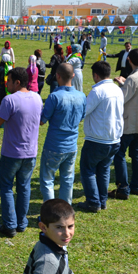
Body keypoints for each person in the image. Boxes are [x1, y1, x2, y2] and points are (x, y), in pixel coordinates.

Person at [0, 67, 42, 237]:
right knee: (24, 187)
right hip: (30, 153)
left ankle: (10, 224)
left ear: (17, 82)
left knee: (6, 187)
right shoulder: (37, 97)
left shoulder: (10, 100)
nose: (7, 84)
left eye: (9, 81)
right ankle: (21, 222)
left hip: (12, 153)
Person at [110, 49, 138, 200]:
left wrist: (121, 86)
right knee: (136, 154)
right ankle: (136, 186)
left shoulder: (133, 78)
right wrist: (125, 84)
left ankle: (123, 187)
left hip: (130, 122)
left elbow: (121, 98)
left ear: (129, 60)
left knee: (119, 153)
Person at [77, 61, 123, 212]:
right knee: (104, 169)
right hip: (114, 138)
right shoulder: (117, 90)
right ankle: (102, 200)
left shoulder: (98, 91)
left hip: (98, 139)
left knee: (87, 169)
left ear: (96, 75)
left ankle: (93, 201)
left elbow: (84, 111)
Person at [39, 64, 86, 204]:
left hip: (54, 145)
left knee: (47, 179)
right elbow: (82, 117)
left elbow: (42, 120)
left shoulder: (54, 97)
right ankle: (66, 210)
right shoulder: (82, 96)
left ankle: (51, 212)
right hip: (71, 146)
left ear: (57, 76)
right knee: (67, 179)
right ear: (73, 75)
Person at [19, 199, 89, 274]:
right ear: (43, 227)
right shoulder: (48, 263)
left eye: (70, 226)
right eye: (59, 227)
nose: (67, 234)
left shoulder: (52, 245)